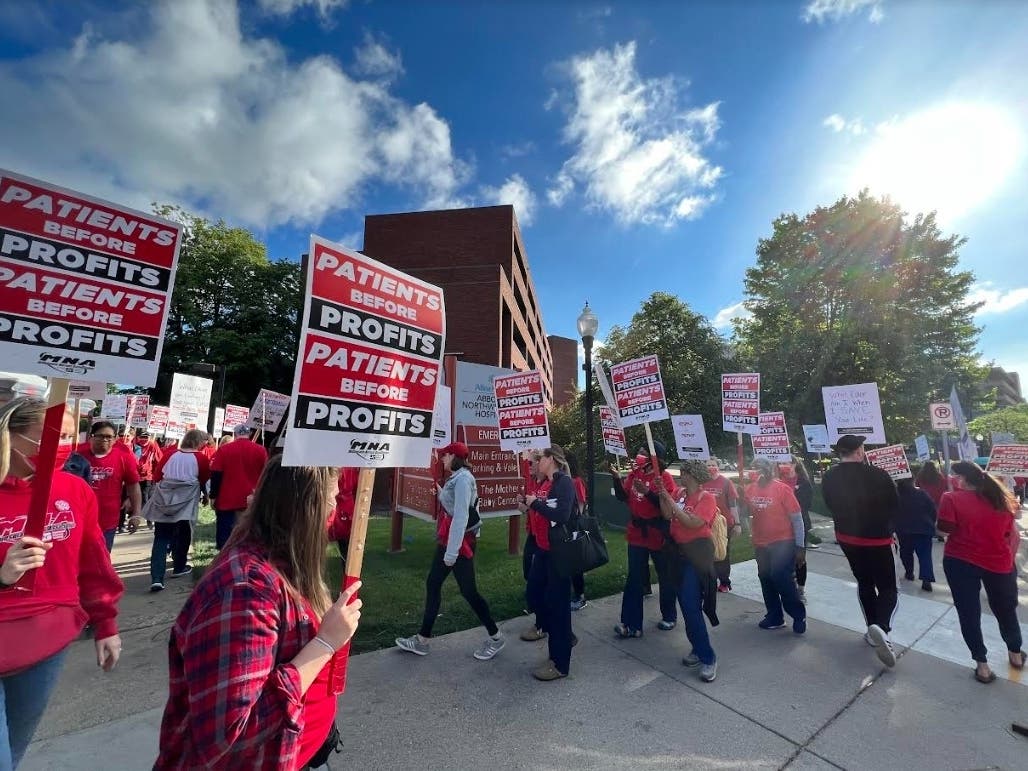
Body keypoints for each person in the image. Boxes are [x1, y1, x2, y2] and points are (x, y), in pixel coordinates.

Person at [154, 457, 361, 769]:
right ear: (307, 508)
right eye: (331, 499)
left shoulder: (282, 564)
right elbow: (230, 737)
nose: (334, 510)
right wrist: (324, 645)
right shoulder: (245, 589)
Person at [1, 397, 124, 769]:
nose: (62, 449)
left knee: (14, 751)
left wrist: (106, 623)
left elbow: (93, 564)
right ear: (11, 435)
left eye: (70, 438)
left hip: (46, 646)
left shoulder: (75, 490)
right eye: (50, 439)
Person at [395, 442, 504, 662]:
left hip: (459, 543)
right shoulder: (458, 478)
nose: (442, 459)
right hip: (452, 541)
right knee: (434, 583)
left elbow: (461, 515)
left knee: (468, 591)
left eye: (445, 456)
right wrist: (442, 492)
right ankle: (422, 640)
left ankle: (496, 637)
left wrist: (452, 553)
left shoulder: (463, 479)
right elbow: (455, 506)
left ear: (454, 456)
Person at [938, 461, 1025, 684]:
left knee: (968, 612)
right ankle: (1015, 654)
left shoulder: (951, 499)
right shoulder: (1003, 499)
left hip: (960, 560)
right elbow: (1010, 532)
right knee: (1006, 609)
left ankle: (982, 666)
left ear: (962, 479)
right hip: (999, 561)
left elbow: (944, 528)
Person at [821, 435, 900, 668]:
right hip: (877, 539)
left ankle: (870, 629)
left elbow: (828, 504)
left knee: (864, 582)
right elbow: (894, 506)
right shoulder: (878, 474)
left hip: (847, 538)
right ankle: (882, 629)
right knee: (888, 586)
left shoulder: (829, 477)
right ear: (858, 451)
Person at [656, 460, 719, 683]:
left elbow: (692, 523)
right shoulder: (680, 494)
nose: (680, 475)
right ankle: (697, 648)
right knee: (685, 604)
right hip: (677, 554)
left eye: (683, 472)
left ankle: (708, 657)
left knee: (691, 605)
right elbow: (667, 515)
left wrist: (671, 501)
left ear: (692, 475)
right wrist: (664, 495)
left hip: (697, 556)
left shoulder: (706, 498)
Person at [611, 443, 678, 637]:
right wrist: (616, 479)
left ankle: (669, 615)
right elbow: (623, 496)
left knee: (665, 576)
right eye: (638, 452)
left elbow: (667, 506)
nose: (639, 455)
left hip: (657, 533)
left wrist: (648, 492)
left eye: (643, 452)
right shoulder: (634, 474)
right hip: (637, 533)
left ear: (654, 458)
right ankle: (631, 624)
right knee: (634, 578)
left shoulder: (664, 478)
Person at [522, 444, 577, 681]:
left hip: (558, 553)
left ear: (550, 459)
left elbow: (562, 515)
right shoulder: (546, 483)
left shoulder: (563, 482)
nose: (535, 462)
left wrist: (535, 504)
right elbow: (543, 512)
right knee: (534, 593)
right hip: (544, 550)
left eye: (538, 458)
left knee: (558, 607)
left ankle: (559, 663)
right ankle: (564, 635)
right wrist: (529, 507)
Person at [132, 429, 211, 592]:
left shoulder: (170, 454)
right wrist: (207, 496)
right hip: (186, 502)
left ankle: (157, 577)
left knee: (161, 538)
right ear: (199, 442)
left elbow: (157, 476)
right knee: (184, 534)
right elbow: (204, 480)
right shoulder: (200, 458)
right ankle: (179, 566)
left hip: (165, 501)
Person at [745, 458, 807, 634]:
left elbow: (797, 519)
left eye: (758, 469)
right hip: (761, 542)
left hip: (783, 541)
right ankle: (775, 616)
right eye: (752, 469)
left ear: (767, 470)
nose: (754, 472)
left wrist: (800, 547)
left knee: (780, 576)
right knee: (765, 578)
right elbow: (748, 513)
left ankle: (797, 614)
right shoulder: (750, 489)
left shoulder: (782, 489)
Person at [79, 420, 142, 552]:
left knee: (101, 563)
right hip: (79, 520)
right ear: (92, 436)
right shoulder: (77, 454)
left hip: (107, 522)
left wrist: (136, 514)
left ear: (115, 439)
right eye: (100, 436)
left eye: (109, 437)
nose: (105, 440)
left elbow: (133, 485)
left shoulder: (124, 456)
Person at [209, 424, 268, 549]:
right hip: (251, 499)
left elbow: (216, 474)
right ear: (249, 434)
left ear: (234, 434)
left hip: (227, 499)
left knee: (225, 538)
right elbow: (266, 474)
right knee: (248, 536)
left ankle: (224, 560)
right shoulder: (260, 450)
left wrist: (213, 496)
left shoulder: (224, 450)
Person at [518, 451, 551, 641]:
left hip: (546, 539)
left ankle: (543, 624)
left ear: (542, 463)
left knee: (538, 584)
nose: (528, 465)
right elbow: (530, 509)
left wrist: (534, 505)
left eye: (531, 462)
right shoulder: (532, 482)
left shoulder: (551, 484)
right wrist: (524, 506)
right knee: (529, 576)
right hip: (534, 535)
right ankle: (546, 621)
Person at [702, 459, 741, 593]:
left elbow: (733, 505)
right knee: (707, 552)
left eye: (713, 465)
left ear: (718, 467)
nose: (711, 467)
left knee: (722, 553)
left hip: (723, 524)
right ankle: (709, 580)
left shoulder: (726, 483)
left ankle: (724, 581)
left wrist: (737, 523)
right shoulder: (702, 482)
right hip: (706, 523)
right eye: (708, 465)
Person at [895, 477, 937, 592]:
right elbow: (933, 510)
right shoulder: (922, 494)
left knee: (906, 552)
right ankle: (926, 579)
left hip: (903, 530)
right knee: (925, 555)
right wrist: (931, 522)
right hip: (924, 528)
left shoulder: (895, 496)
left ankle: (909, 572)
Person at [566, 451, 588, 611]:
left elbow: (581, 503)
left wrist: (576, 522)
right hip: (565, 524)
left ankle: (580, 595)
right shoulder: (564, 480)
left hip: (573, 524)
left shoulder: (576, 481)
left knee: (575, 563)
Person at [327, 468, 360, 570]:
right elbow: (356, 484)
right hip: (343, 505)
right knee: (346, 544)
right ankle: (348, 570)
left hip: (337, 504)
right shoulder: (350, 466)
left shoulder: (339, 466)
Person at [916, 460, 948, 543]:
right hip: (938, 499)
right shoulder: (939, 476)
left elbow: (917, 486)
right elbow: (944, 485)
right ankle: (939, 535)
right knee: (937, 518)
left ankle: (929, 532)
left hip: (925, 499)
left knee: (927, 517)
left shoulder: (921, 476)